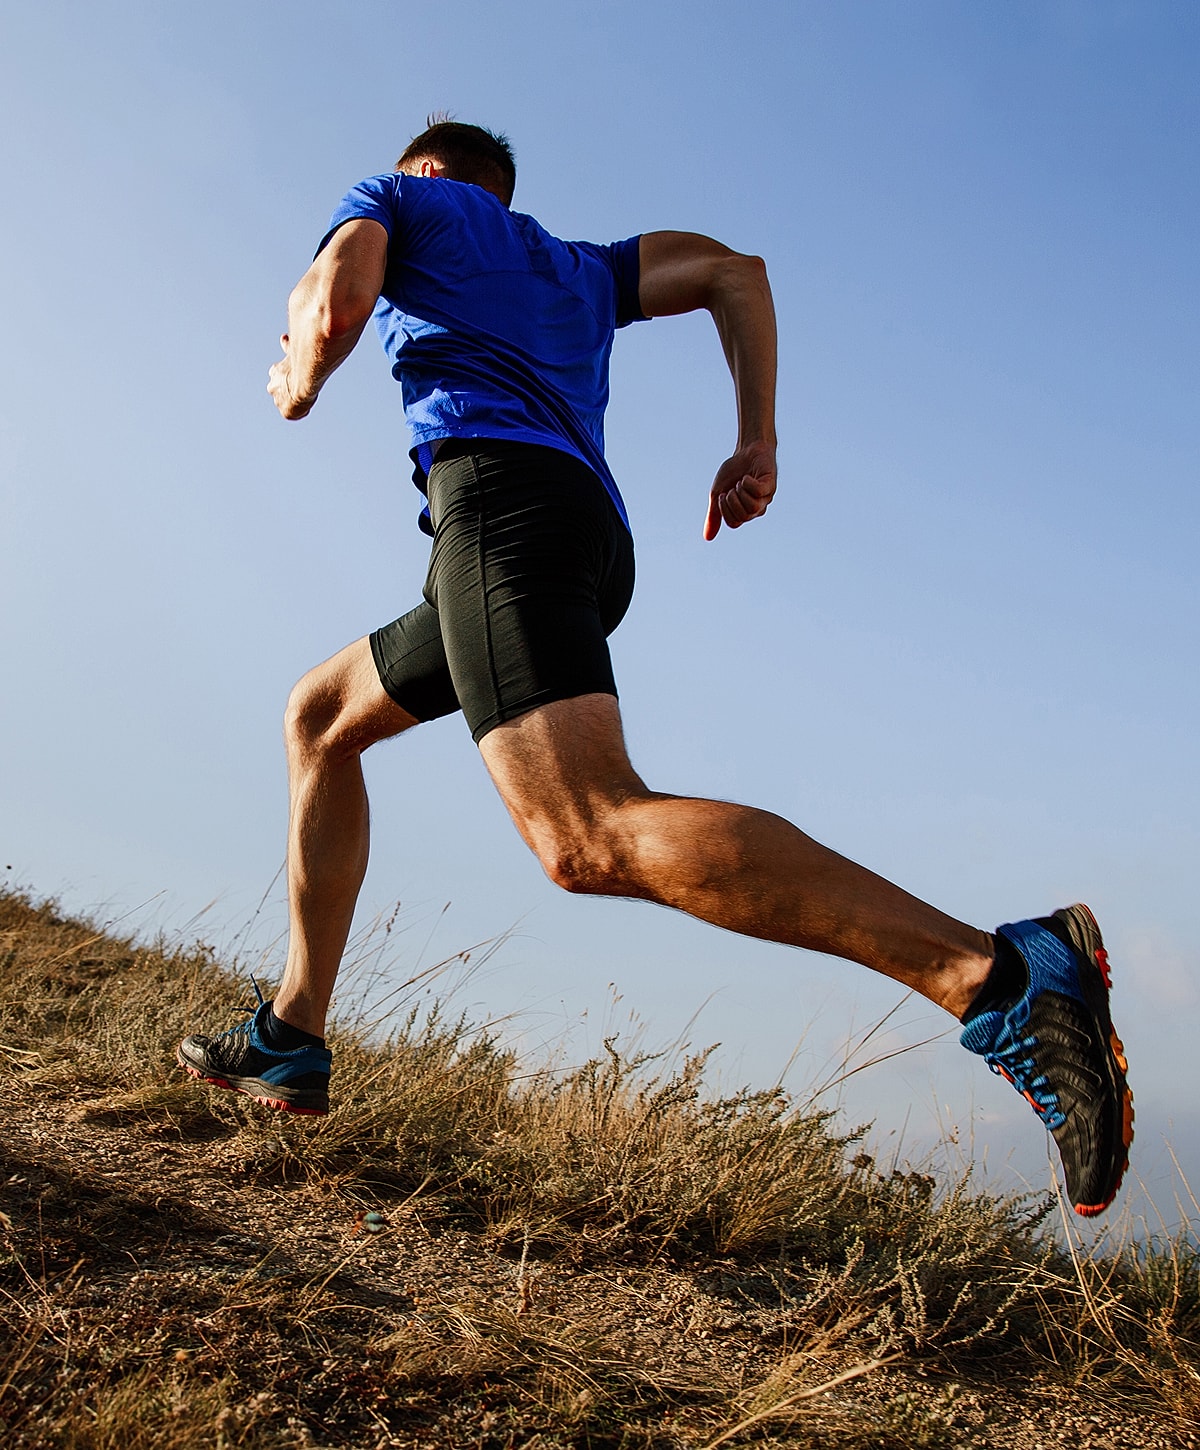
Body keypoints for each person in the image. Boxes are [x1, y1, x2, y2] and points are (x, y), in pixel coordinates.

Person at [178, 121, 1133, 1216]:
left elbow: (334, 297)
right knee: (321, 716)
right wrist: (757, 436)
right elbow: (737, 272)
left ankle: (999, 976)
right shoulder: (582, 267)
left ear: (428, 171)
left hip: (502, 519)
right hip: (576, 536)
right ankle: (294, 1032)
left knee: (584, 832)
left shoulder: (402, 198)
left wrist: (299, 373)